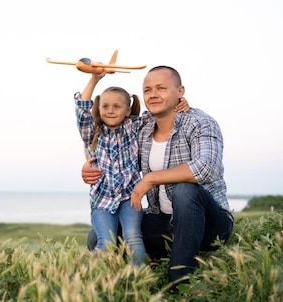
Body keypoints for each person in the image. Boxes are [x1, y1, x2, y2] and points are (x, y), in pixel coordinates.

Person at [82, 66, 234, 291]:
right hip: (163, 220)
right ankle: (155, 260)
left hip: (210, 225)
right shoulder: (142, 128)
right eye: (147, 90)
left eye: (161, 88)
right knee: (99, 237)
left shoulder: (200, 122)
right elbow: (110, 143)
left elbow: (206, 169)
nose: (153, 94)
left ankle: (178, 283)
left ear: (180, 91)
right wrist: (89, 167)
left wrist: (151, 178)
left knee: (185, 190)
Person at [74, 72, 188, 266]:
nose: (110, 110)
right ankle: (88, 277)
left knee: (133, 237)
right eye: (105, 106)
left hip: (130, 199)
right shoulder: (93, 133)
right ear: (99, 108)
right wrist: (94, 79)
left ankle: (139, 276)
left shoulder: (134, 127)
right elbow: (82, 110)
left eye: (117, 106)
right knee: (105, 241)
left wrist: (180, 102)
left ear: (127, 110)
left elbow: (161, 110)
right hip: (102, 202)